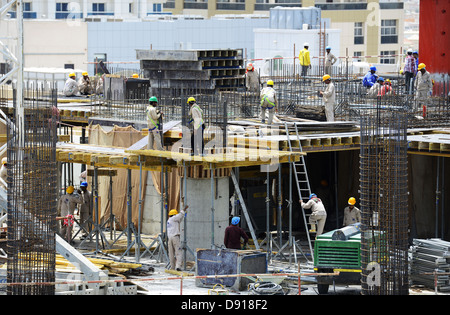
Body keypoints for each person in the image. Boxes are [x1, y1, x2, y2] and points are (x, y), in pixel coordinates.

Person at [167, 204, 188, 271]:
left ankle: (172, 267)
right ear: (174, 214)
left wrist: (183, 214)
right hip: (175, 238)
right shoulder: (174, 218)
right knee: (178, 252)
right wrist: (184, 209)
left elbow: (180, 218)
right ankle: (178, 266)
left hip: (169, 238)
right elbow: (179, 216)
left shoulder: (169, 220)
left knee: (171, 253)